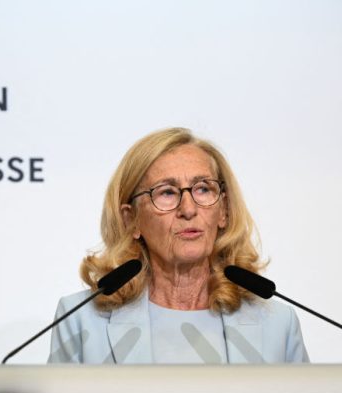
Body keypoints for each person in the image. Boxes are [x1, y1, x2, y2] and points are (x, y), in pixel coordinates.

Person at [48, 128, 309, 364]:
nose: (188, 209)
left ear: (223, 211)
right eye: (167, 192)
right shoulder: (81, 321)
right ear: (131, 220)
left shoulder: (277, 324)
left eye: (203, 189)